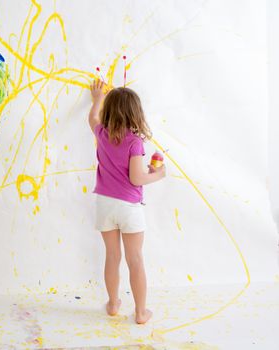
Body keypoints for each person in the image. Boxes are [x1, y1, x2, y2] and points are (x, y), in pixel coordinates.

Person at [88, 80, 165, 324]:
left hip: (104, 205)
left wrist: (97, 99)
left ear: (110, 110)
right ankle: (141, 313)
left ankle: (113, 304)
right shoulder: (134, 142)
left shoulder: (101, 133)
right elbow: (136, 177)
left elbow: (92, 118)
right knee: (135, 259)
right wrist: (158, 174)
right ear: (135, 113)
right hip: (129, 208)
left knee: (112, 256)